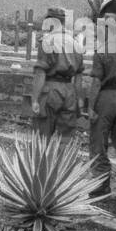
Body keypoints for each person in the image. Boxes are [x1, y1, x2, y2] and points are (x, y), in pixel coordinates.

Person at [86, 16, 116, 198]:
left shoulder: (102, 50)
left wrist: (90, 106)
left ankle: (101, 183)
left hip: (106, 96)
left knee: (98, 141)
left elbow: (96, 81)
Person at [30, 7, 84, 139]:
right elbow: (79, 76)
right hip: (69, 91)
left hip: (51, 90)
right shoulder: (76, 44)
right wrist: (79, 99)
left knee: (41, 135)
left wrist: (34, 99)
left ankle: (41, 159)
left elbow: (40, 74)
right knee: (65, 138)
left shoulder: (47, 42)